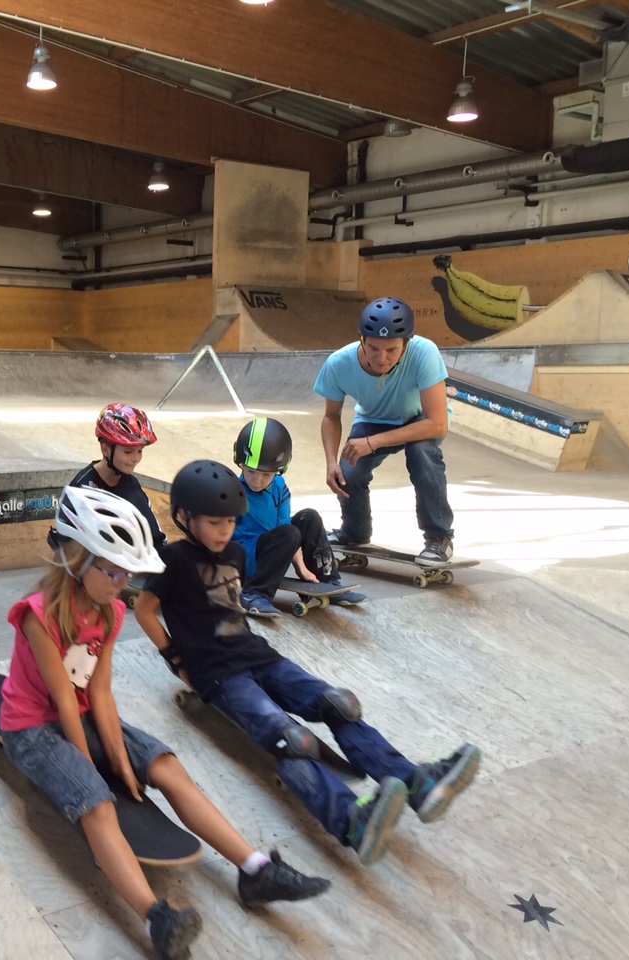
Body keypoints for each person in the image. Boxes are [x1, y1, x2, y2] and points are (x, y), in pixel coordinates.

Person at [0, 485, 330, 959]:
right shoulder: (38, 616)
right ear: (78, 559)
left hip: (87, 713)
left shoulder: (112, 611)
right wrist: (98, 771)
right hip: (31, 728)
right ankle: (157, 917)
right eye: (113, 571)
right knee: (98, 803)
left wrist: (121, 759)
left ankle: (256, 870)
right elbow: (63, 703)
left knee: (166, 767)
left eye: (127, 573)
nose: (123, 583)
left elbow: (98, 692)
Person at [135, 460, 482, 867]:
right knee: (291, 740)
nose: (224, 530)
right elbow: (144, 611)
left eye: (230, 521)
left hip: (259, 655)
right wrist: (176, 661)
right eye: (214, 522)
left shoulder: (233, 553)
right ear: (183, 517)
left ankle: (417, 784)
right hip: (221, 676)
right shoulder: (173, 559)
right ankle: (352, 821)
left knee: (340, 705)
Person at [314, 297, 455, 564]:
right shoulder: (338, 364)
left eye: (391, 350)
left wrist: (375, 441)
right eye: (374, 348)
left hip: (420, 419)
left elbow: (438, 423)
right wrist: (331, 461)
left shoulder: (425, 353)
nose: (382, 358)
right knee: (348, 471)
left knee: (421, 455)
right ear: (361, 341)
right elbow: (331, 416)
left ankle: (439, 538)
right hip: (374, 419)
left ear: (406, 344)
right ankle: (354, 532)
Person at [232, 417, 365, 618]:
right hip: (243, 557)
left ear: (279, 470)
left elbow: (285, 529)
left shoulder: (279, 488)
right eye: (250, 471)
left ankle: (327, 579)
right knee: (289, 533)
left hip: (275, 548)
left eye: (266, 475)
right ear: (239, 462)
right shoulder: (230, 488)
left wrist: (301, 568)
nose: (257, 480)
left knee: (308, 517)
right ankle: (255, 593)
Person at [69, 403, 166, 548]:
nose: (135, 458)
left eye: (140, 451)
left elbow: (156, 538)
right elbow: (69, 550)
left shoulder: (132, 485)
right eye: (128, 452)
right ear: (105, 450)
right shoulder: (83, 488)